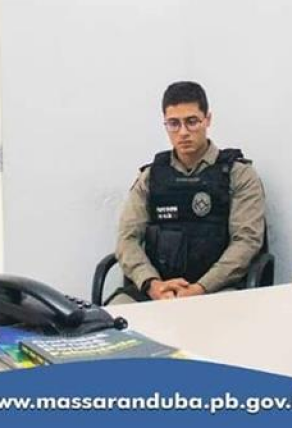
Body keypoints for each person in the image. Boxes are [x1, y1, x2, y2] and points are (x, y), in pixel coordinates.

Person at [111, 81, 267, 303]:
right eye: (174, 124)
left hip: (217, 289)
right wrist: (152, 284)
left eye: (192, 122)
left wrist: (201, 288)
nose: (183, 132)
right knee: (112, 315)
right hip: (158, 290)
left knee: (228, 315)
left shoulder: (238, 174)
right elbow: (127, 240)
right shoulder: (151, 176)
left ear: (207, 119)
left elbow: (246, 241)